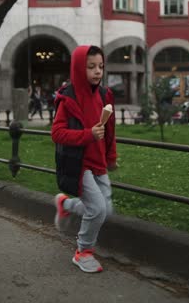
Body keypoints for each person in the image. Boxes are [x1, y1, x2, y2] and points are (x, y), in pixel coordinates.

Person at [51, 45, 117, 273]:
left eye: (100, 66)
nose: (97, 71)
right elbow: (57, 133)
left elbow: (110, 131)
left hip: (99, 163)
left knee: (106, 210)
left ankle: (65, 205)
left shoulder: (104, 94)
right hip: (80, 165)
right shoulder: (67, 99)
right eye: (91, 67)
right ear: (79, 68)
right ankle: (83, 252)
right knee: (97, 209)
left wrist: (111, 156)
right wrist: (88, 134)